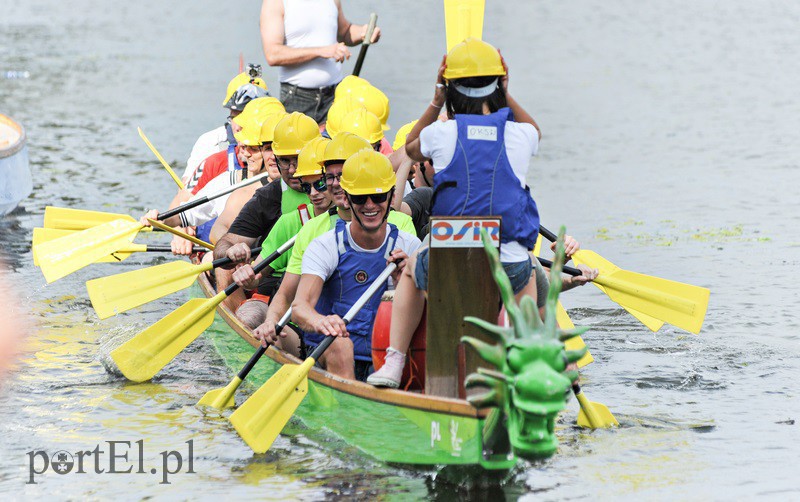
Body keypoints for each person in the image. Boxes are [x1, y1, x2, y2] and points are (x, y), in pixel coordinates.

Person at [367, 39, 591, 388]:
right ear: (498, 86)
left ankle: (394, 362)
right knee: (531, 272)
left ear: (451, 90)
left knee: (411, 270)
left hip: (447, 262)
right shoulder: (519, 135)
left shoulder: (441, 133)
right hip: (511, 266)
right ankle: (541, 361)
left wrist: (436, 99)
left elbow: (410, 147)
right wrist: (506, 89)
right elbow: (536, 130)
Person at [247, 132, 416, 357]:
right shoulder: (315, 232)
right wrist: (272, 321)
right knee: (335, 345)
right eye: (330, 177)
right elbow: (288, 296)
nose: (336, 184)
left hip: (386, 342)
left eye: (343, 175)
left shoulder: (402, 227)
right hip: (330, 344)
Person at [292, 149, 421, 381]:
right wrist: (321, 321)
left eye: (378, 197)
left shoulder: (410, 246)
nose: (370, 205)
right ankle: (348, 408)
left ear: (392, 197)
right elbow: (300, 308)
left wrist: (406, 283)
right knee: (341, 345)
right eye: (360, 198)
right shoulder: (326, 245)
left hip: (385, 354)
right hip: (330, 351)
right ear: (347, 199)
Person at [213, 112, 319, 310]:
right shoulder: (268, 197)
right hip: (276, 287)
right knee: (248, 311)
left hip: (326, 282)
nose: (292, 169)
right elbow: (223, 249)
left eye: (298, 159)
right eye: (285, 161)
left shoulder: (338, 188)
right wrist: (230, 250)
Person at [232, 136, 333, 328]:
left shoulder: (357, 219)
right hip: (294, 312)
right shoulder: (290, 221)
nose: (312, 193)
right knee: (247, 317)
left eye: (320, 184)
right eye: (306, 187)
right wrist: (247, 277)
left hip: (333, 311)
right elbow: (256, 277)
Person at [138, 105, 276, 245]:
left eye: (253, 148)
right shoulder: (227, 180)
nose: (245, 153)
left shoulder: (293, 183)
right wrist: (160, 220)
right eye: (244, 147)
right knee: (211, 259)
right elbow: (184, 215)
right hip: (233, 256)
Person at [260, 0, 381, 123]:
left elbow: (344, 31)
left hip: (335, 96)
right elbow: (273, 54)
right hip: (296, 98)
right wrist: (321, 51)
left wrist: (364, 33)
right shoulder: (275, 2)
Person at [181, 67, 269, 188]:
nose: (239, 126)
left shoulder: (278, 145)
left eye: (247, 117)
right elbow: (185, 193)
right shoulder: (210, 143)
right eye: (235, 117)